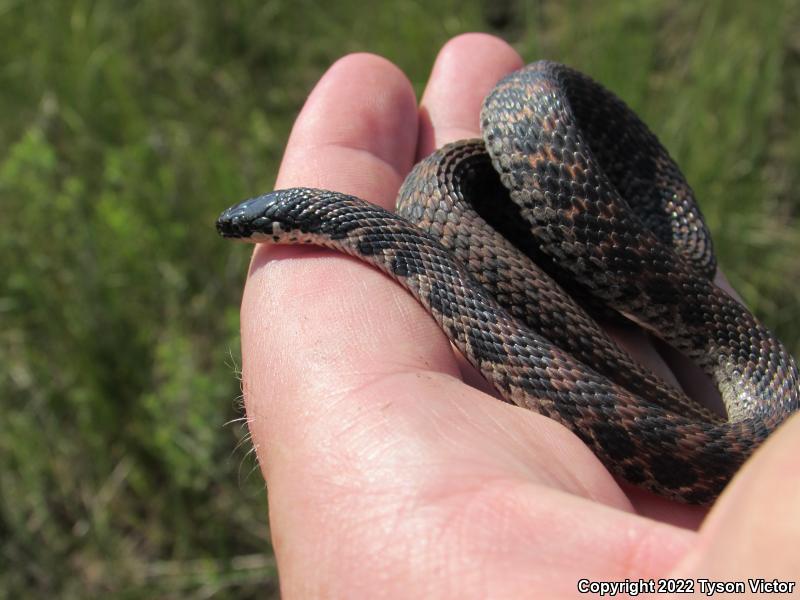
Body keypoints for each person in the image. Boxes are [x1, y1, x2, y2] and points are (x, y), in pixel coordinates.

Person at [237, 33, 799, 597]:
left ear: (292, 225)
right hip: (482, 185)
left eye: (252, 229)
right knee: (440, 196)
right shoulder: (438, 198)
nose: (250, 236)